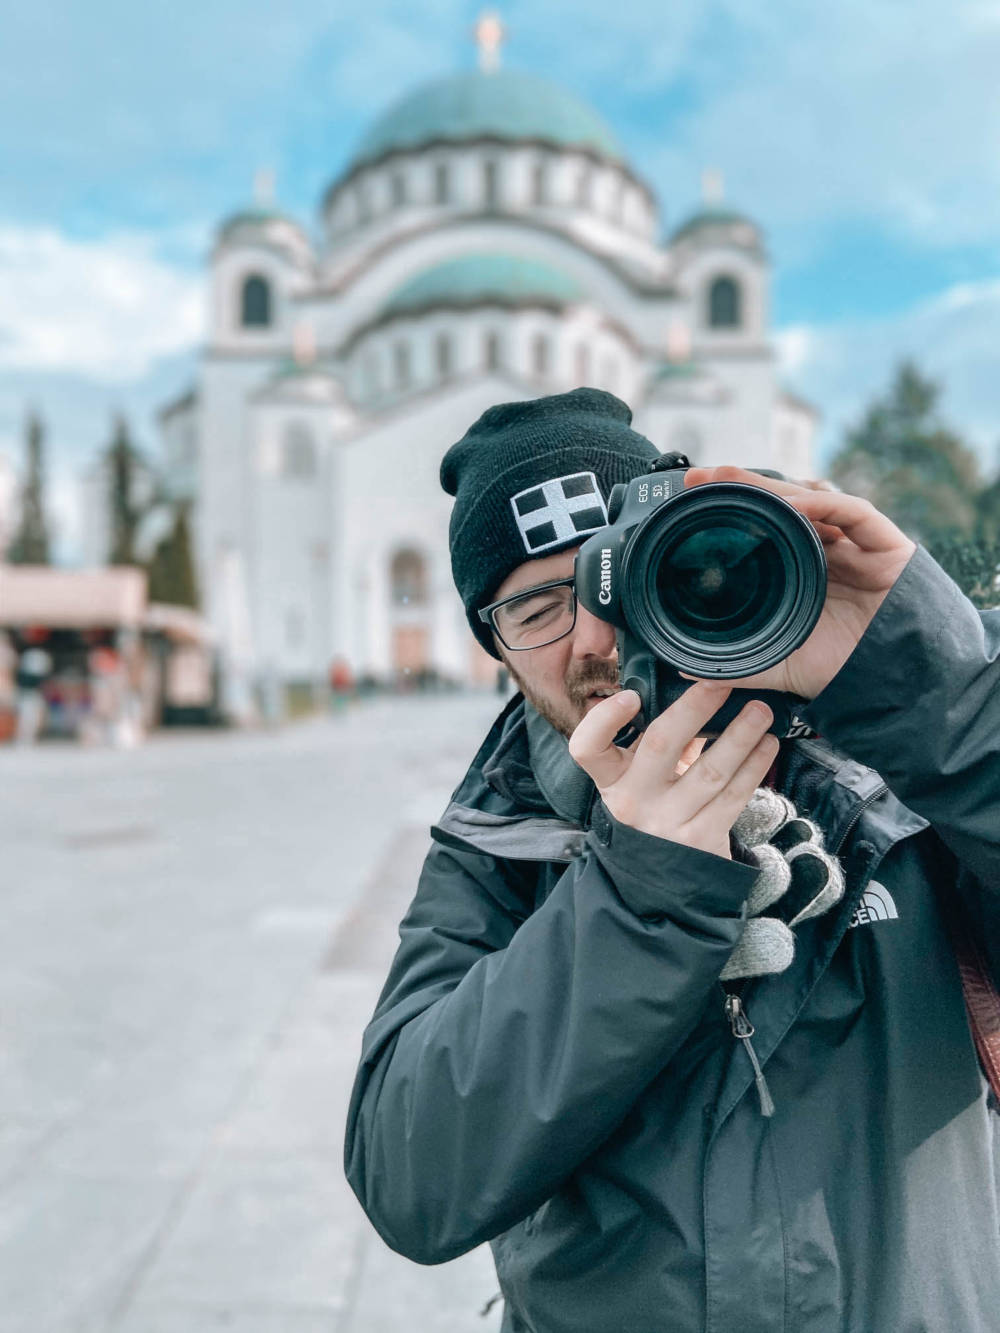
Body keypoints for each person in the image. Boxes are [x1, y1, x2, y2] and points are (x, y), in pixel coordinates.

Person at [345, 388, 1000, 1332]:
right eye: (536, 606)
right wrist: (635, 900)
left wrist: (925, 682)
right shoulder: (498, 841)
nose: (598, 636)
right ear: (496, 649)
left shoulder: (894, 783)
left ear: (708, 552)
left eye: (616, 572)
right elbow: (409, 1176)